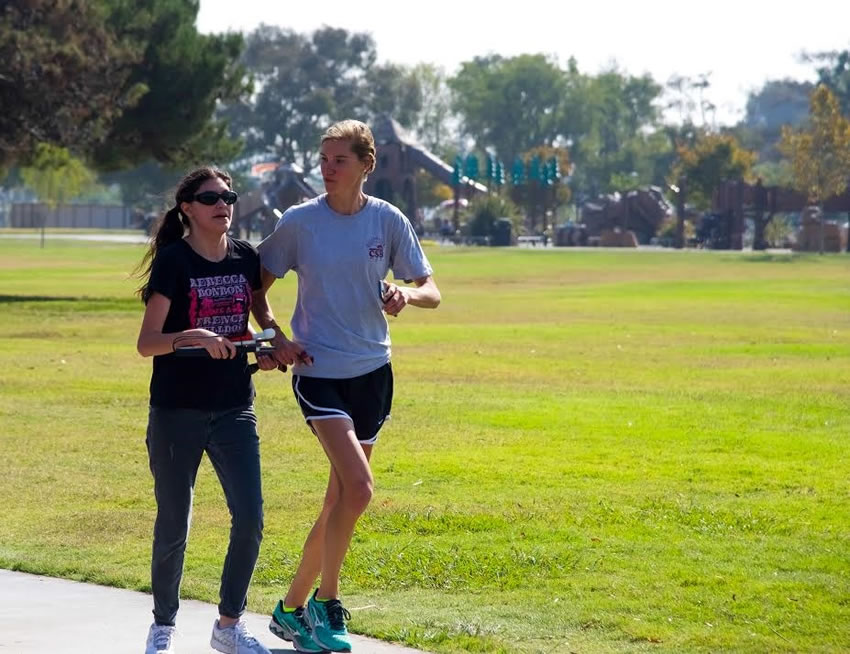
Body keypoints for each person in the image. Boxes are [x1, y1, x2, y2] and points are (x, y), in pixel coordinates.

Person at [257, 120, 441, 653]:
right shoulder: (299, 223)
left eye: (340, 160)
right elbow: (258, 291)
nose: (327, 168)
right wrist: (278, 338)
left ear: (366, 164)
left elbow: (431, 289)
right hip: (319, 373)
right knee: (358, 490)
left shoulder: (387, 220)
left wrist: (408, 296)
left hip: (373, 373)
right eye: (324, 159)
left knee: (339, 496)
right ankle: (326, 602)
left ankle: (289, 609)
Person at [136, 166, 280, 654]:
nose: (224, 203)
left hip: (235, 406)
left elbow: (260, 316)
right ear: (188, 209)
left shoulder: (245, 258)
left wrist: (272, 345)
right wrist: (191, 337)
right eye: (211, 197)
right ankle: (163, 626)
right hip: (177, 410)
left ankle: (228, 625)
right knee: (174, 520)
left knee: (251, 516)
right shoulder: (174, 263)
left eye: (229, 195)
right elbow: (146, 344)